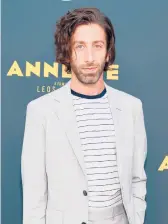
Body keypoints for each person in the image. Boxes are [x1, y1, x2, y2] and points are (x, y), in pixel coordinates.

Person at [21, 7, 147, 224]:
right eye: (80, 46)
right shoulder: (41, 111)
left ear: (108, 52)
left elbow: (137, 179)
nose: (89, 57)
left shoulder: (131, 108)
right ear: (67, 52)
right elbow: (34, 194)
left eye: (97, 46)